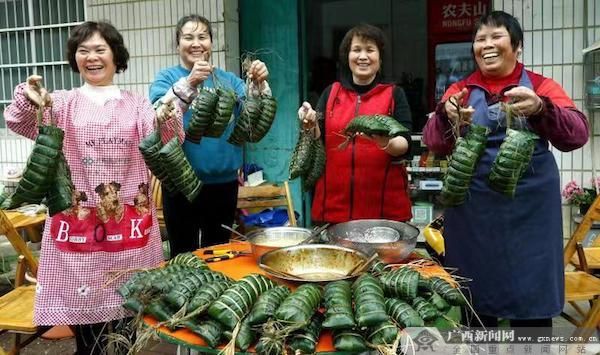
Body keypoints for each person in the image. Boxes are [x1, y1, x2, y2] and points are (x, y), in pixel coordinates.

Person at [4, 21, 182, 354]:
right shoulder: (60, 104)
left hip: (129, 234)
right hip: (79, 235)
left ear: (116, 55)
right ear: (75, 59)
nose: (92, 57)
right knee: (89, 338)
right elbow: (18, 120)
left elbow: (167, 138)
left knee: (129, 324)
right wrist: (31, 99)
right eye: (83, 51)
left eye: (100, 49)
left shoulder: (138, 105)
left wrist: (168, 112)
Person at [422, 11, 589, 328]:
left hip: (530, 220)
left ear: (517, 46)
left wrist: (542, 108)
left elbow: (577, 134)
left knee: (531, 311)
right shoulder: (460, 91)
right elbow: (435, 143)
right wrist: (446, 116)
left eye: (495, 36)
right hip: (473, 218)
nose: (486, 44)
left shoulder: (541, 86)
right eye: (479, 38)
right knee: (476, 307)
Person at [149, 14, 271, 255]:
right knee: (183, 254)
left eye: (202, 36)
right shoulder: (166, 78)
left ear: (211, 43)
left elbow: (251, 115)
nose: (196, 43)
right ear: (178, 45)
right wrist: (191, 81)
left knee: (218, 253)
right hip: (179, 184)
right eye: (188, 37)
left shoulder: (230, 81)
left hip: (223, 184)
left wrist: (257, 83)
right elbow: (157, 115)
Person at [299, 23, 413, 224]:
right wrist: (309, 122)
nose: (363, 56)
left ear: (380, 57)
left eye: (370, 50)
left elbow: (405, 143)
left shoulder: (394, 94)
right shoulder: (331, 93)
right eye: (356, 50)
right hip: (334, 208)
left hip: (384, 210)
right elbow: (319, 139)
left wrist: (386, 143)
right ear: (347, 56)